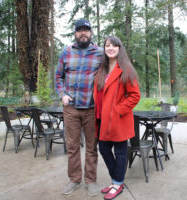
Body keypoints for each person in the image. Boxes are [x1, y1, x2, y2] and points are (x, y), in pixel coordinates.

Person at [55, 19, 103, 196]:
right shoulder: (66, 52)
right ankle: (74, 179)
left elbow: (110, 73)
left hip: (92, 109)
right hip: (72, 109)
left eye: (86, 30)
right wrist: (62, 95)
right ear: (75, 33)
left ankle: (91, 180)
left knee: (91, 146)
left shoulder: (100, 53)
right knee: (73, 146)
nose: (83, 33)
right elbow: (58, 77)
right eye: (80, 30)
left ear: (91, 33)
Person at [93, 36, 140, 200]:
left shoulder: (126, 69)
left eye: (114, 45)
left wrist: (117, 110)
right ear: (104, 49)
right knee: (104, 149)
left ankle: (117, 183)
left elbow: (135, 96)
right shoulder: (102, 69)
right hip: (102, 120)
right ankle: (116, 181)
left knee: (120, 153)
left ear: (120, 49)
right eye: (107, 45)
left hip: (118, 120)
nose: (110, 48)